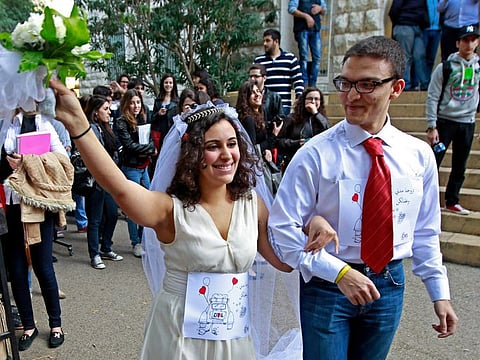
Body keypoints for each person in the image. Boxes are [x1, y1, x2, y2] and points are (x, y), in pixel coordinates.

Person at [49, 79, 336, 359]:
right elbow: (120, 188)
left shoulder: (253, 204)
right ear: (194, 153)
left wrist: (314, 224)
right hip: (179, 337)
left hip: (234, 338)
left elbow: (284, 260)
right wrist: (78, 124)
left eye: (232, 143)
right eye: (213, 146)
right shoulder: (168, 210)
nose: (226, 155)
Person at [269, 36, 458, 360]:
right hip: (327, 285)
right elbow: (282, 229)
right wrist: (338, 273)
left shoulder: (417, 156)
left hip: (388, 283)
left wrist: (439, 292)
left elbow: (425, 230)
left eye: (367, 84)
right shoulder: (315, 154)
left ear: (396, 88)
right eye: (346, 83)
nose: (352, 95)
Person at [0, 108, 70, 351]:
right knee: (17, 269)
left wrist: (27, 161)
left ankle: (56, 325)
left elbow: (63, 161)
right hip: (10, 204)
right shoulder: (5, 123)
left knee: (42, 266)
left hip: (39, 205)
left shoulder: (45, 122)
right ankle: (29, 326)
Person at [426, 24, 480, 215]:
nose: (469, 44)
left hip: (467, 121)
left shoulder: (478, 68)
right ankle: (425, 199)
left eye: (473, 39)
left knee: (460, 163)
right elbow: (432, 95)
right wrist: (431, 125)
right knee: (434, 161)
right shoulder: (445, 67)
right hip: (445, 120)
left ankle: (452, 200)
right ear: (458, 43)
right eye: (465, 40)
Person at [114, 89, 156, 257]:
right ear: (126, 104)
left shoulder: (143, 118)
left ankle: (144, 238)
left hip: (144, 166)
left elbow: (151, 142)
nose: (136, 106)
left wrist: (146, 150)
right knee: (133, 207)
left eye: (138, 102)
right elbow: (130, 146)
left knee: (148, 203)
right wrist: (147, 150)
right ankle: (135, 242)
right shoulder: (122, 122)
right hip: (131, 168)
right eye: (132, 102)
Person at [83, 95, 123, 269]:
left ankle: (106, 247)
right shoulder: (91, 129)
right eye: (105, 109)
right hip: (96, 181)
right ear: (96, 112)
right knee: (95, 219)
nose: (109, 112)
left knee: (112, 214)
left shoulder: (107, 128)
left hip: (108, 180)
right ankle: (94, 254)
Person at [276, 87, 330, 170]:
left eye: (316, 99)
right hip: (294, 162)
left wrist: (316, 114)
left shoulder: (321, 119)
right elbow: (279, 141)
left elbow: (328, 134)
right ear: (304, 100)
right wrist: (296, 143)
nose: (313, 101)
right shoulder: (292, 118)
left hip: (315, 163)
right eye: (310, 98)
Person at [253, 29, 304, 114]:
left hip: (284, 105)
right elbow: (252, 82)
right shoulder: (259, 61)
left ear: (276, 41)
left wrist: (298, 98)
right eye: (264, 41)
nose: (264, 44)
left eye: (268, 41)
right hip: (264, 104)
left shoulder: (290, 58)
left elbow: (298, 81)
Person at [236, 80, 283, 163]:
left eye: (258, 91)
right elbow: (252, 150)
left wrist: (267, 149)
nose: (257, 95)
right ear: (245, 97)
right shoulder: (248, 119)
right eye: (252, 93)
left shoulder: (260, 114)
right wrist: (273, 135)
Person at [389, 0, 430, 90]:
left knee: (420, 56)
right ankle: (405, 84)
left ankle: (425, 84)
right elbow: (393, 10)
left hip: (417, 27)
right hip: (404, 25)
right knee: (405, 56)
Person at [288, 0, 327, 87]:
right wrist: (306, 16)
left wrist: (320, 9)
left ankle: (313, 84)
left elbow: (325, 10)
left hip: (316, 29)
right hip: (302, 29)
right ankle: (304, 83)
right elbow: (291, 9)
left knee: (317, 58)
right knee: (304, 57)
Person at [150, 73, 179, 178]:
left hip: (171, 133)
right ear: (162, 84)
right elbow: (152, 120)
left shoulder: (177, 101)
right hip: (159, 134)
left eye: (170, 83)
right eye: (166, 82)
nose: (168, 85)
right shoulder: (158, 101)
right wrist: (158, 114)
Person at [424, 0, 442, 82]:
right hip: (424, 29)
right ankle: (417, 81)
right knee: (420, 57)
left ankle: (427, 81)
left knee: (431, 58)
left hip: (437, 30)